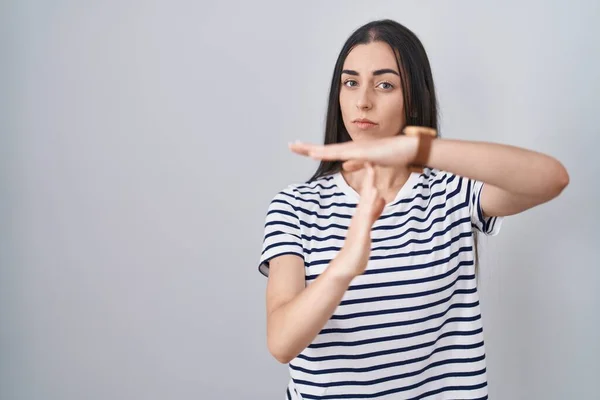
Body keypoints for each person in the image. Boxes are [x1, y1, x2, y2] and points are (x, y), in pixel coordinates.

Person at [257, 19, 569, 400]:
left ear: (414, 98)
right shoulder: (295, 207)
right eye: (350, 82)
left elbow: (551, 179)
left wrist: (415, 149)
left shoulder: (450, 192)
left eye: (385, 84)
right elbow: (282, 342)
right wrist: (345, 266)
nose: (363, 100)